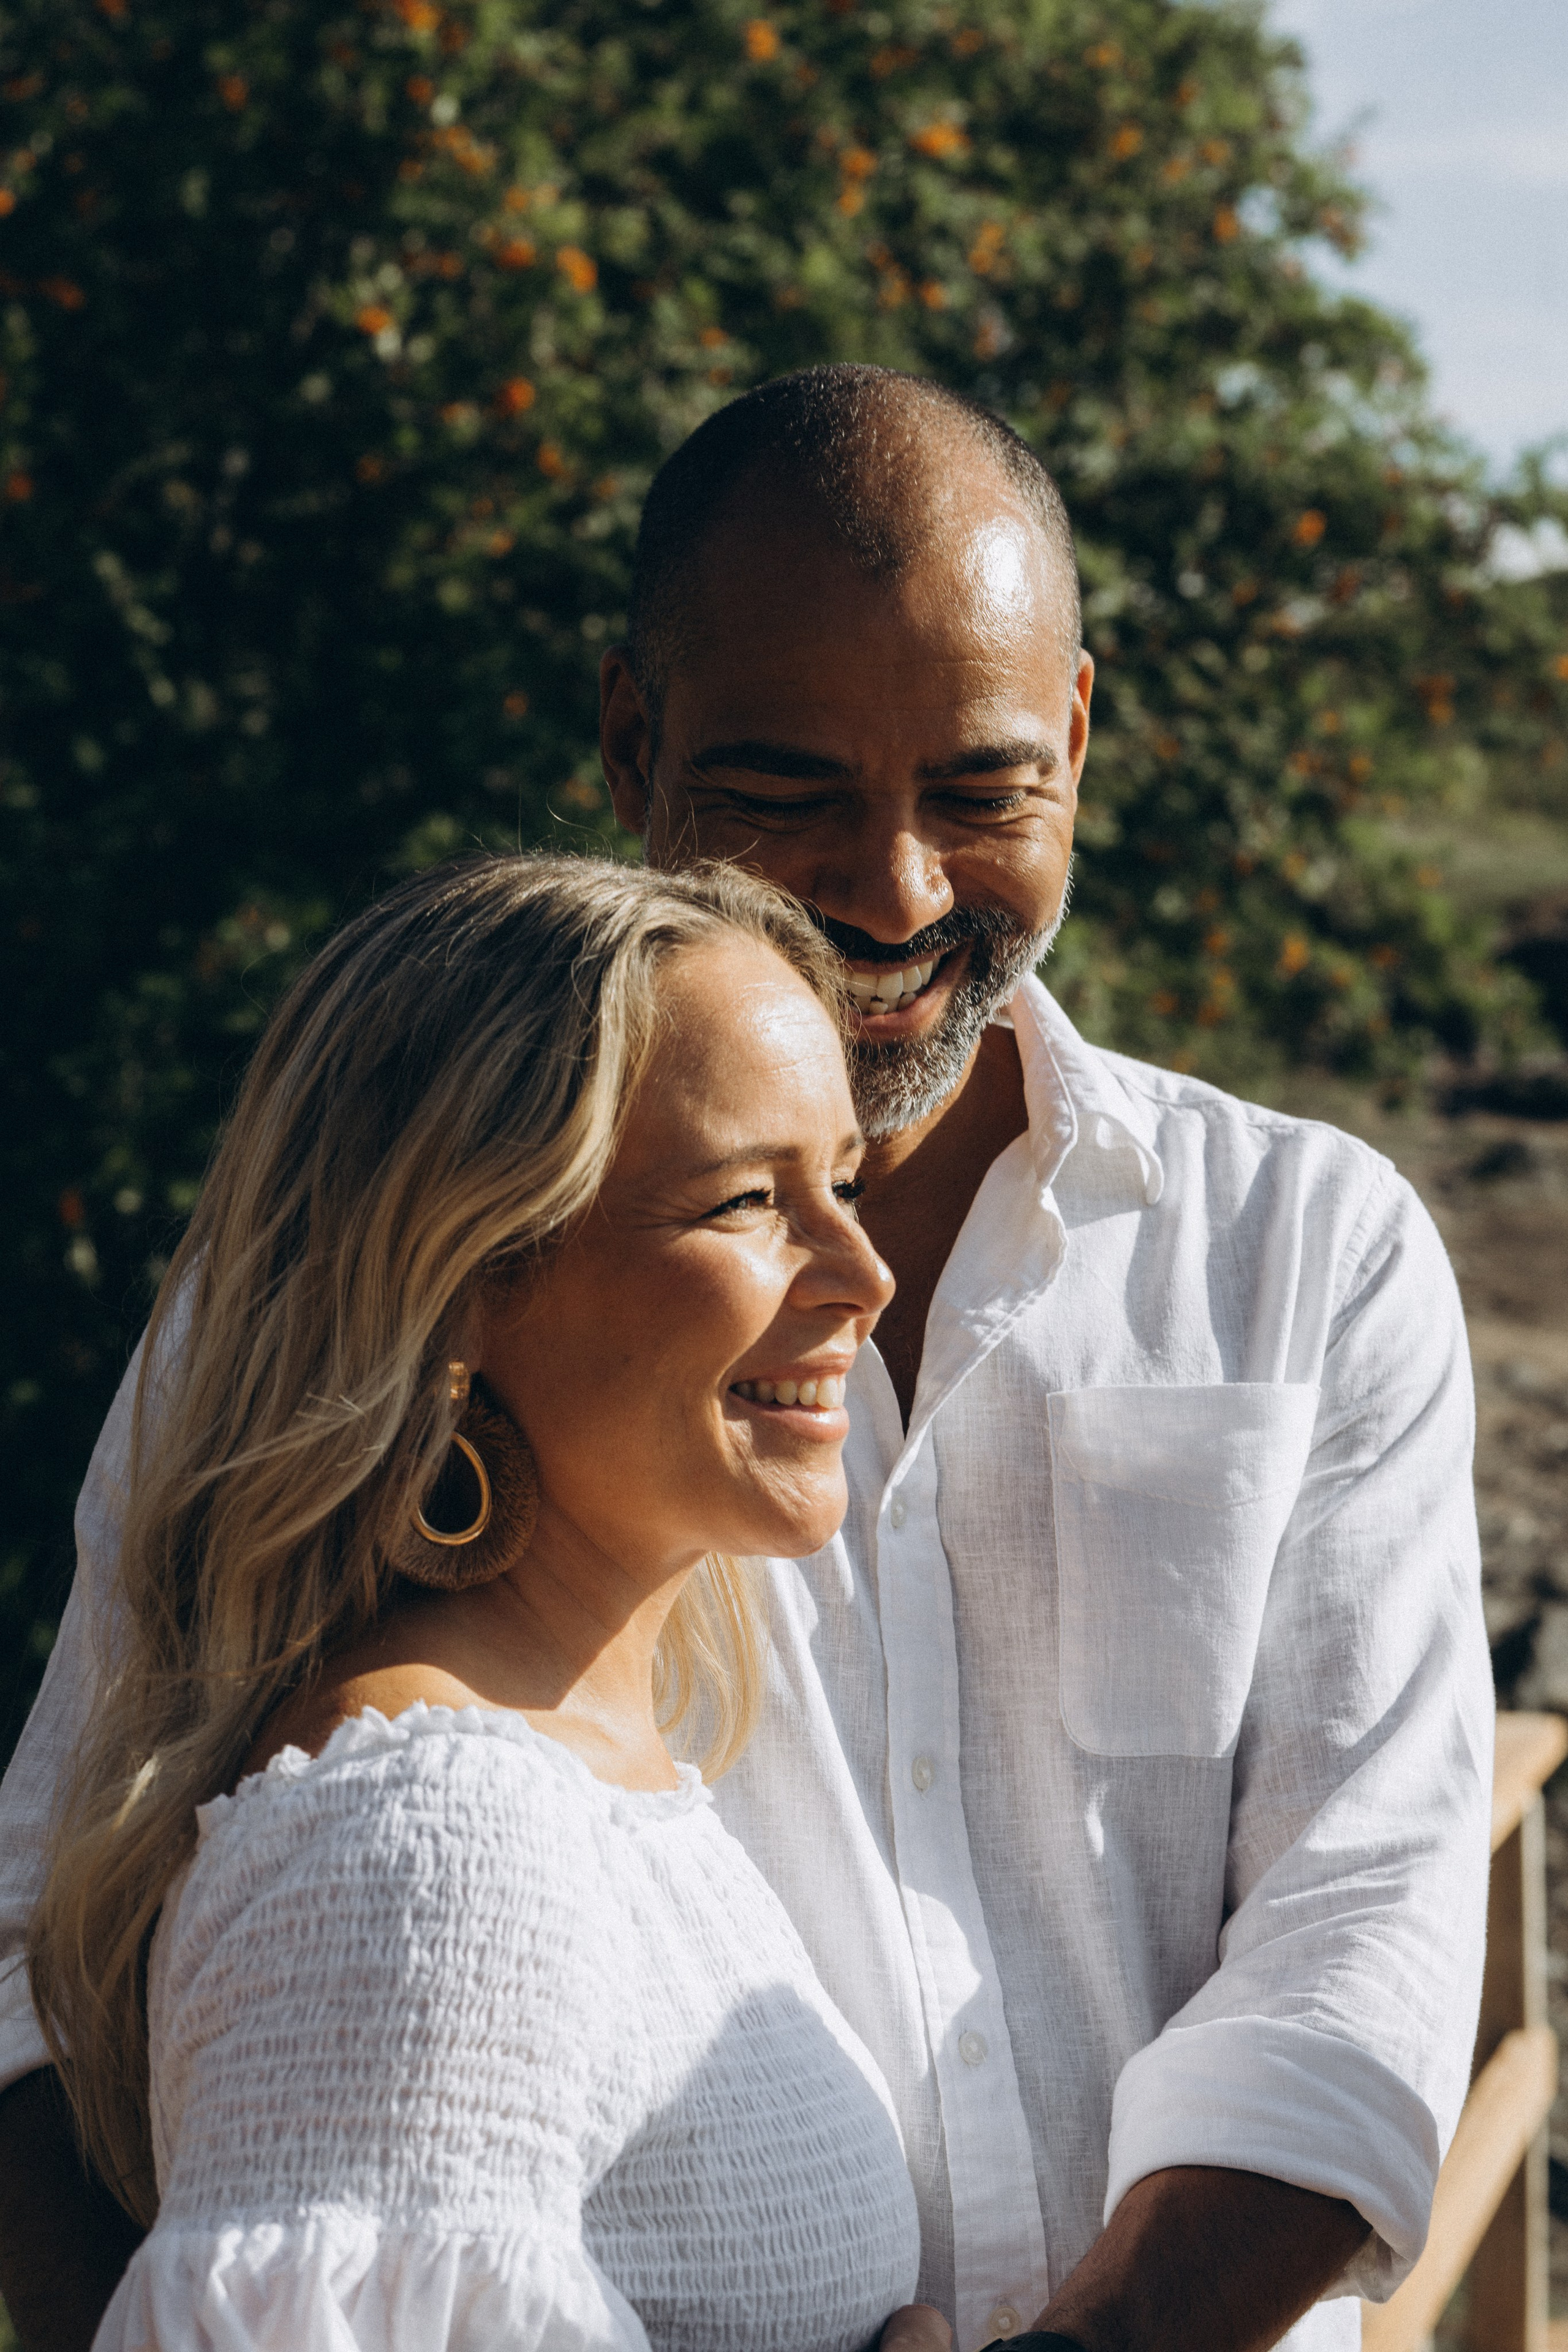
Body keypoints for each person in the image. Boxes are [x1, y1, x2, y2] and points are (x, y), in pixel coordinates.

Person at [0, 366, 1493, 2352]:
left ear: (1076, 736)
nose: (893, 891)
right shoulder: (350, 1301)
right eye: (788, 788)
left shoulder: (1314, 1248)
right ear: (634, 738)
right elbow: (50, 1934)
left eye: (979, 788)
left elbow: (1361, 1943)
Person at [24, 851, 951, 2352]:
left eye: (840, 1182)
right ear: (463, 1281)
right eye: (743, 1202)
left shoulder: (586, 1779)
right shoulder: (429, 1849)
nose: (861, 1273)